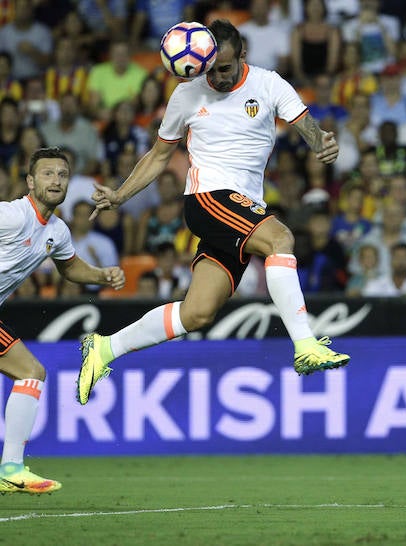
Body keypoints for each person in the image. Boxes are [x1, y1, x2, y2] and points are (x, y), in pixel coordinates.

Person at [79, 20, 349, 407]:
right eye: (209, 69)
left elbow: (305, 124)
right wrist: (120, 195)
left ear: (242, 55)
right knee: (281, 239)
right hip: (208, 198)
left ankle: (104, 349)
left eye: (224, 68)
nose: (216, 77)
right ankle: (306, 344)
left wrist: (321, 141)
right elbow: (158, 155)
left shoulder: (269, 83)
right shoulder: (187, 94)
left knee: (198, 313)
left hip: (243, 209)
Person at [0, 147, 125, 493]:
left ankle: (11, 468)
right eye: (47, 173)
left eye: (62, 174)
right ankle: (11, 468)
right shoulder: (12, 216)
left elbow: (70, 268)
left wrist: (102, 275)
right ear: (29, 181)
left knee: (31, 373)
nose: (56, 180)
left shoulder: (57, 230)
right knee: (31, 372)